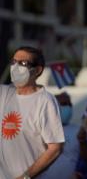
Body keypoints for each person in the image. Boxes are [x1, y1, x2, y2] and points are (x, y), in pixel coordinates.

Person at [0, 46, 65, 178]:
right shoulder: (4, 93)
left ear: (37, 70)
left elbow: (55, 148)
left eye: (23, 63)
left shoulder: (45, 101)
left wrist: (25, 177)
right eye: (14, 62)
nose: (16, 67)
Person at [44, 92, 80, 179]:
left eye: (69, 104)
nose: (68, 107)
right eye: (63, 104)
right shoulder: (41, 130)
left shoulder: (80, 130)